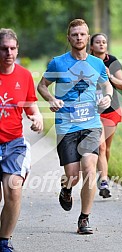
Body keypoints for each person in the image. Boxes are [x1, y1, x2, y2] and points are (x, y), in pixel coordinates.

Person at [37, 19, 113, 234]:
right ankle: (66, 189)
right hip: (66, 125)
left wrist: (107, 96)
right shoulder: (57, 63)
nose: (79, 38)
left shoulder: (97, 64)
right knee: (73, 175)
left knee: (89, 168)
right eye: (75, 34)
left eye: (82, 34)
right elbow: (42, 86)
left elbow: (107, 85)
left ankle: (84, 219)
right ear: (68, 38)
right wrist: (51, 99)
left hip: (90, 124)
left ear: (88, 38)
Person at [0, 28, 43, 251]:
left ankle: (3, 241)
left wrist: (37, 118)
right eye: (4, 48)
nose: (9, 53)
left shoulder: (24, 76)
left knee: (14, 190)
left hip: (14, 143)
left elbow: (30, 105)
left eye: (13, 48)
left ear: (18, 50)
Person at [90, 33, 122, 198]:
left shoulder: (112, 61)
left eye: (104, 42)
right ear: (91, 46)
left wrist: (109, 75)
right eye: (98, 42)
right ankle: (104, 181)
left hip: (111, 110)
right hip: (93, 111)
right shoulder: (87, 61)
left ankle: (102, 174)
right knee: (101, 146)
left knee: (107, 147)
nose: (101, 45)